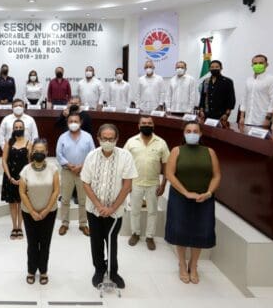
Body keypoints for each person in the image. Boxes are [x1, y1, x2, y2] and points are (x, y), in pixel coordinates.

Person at [81, 124, 138, 289]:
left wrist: (112, 208)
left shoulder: (125, 156)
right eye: (104, 138)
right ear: (98, 138)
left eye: (111, 139)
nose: (107, 142)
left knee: (112, 241)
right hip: (94, 210)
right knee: (96, 241)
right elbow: (86, 183)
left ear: (117, 139)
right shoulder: (91, 156)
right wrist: (99, 206)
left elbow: (127, 185)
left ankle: (113, 272)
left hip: (115, 211)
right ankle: (99, 270)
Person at [164, 121, 221, 284]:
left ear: (201, 134)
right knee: (180, 231)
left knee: (201, 231)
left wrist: (208, 193)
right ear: (184, 134)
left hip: (204, 198)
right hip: (180, 197)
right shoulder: (177, 150)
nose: (192, 134)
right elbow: (169, 174)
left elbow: (216, 175)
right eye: (188, 131)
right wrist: (186, 192)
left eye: (195, 131)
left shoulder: (209, 152)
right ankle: (182, 264)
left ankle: (193, 264)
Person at [124, 116, 169, 250]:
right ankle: (135, 233)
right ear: (139, 126)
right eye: (143, 123)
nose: (146, 125)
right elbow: (125, 163)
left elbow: (166, 164)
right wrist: (126, 183)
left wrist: (163, 184)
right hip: (135, 182)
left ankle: (150, 237)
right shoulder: (131, 142)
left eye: (149, 123)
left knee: (152, 212)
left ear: (153, 125)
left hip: (153, 183)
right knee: (135, 211)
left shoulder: (161, 143)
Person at [19, 139, 60, 285]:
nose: (39, 153)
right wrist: (32, 211)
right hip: (28, 212)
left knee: (45, 243)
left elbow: (56, 191)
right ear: (32, 152)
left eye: (42, 151)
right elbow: (22, 192)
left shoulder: (53, 169)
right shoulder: (26, 170)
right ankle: (31, 270)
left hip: (49, 212)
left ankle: (43, 271)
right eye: (36, 151)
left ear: (47, 152)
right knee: (32, 243)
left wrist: (46, 210)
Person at [56, 112, 94, 237]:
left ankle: (83, 224)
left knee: (83, 200)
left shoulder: (88, 137)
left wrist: (81, 166)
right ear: (67, 123)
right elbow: (59, 154)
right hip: (67, 171)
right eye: (71, 121)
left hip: (84, 172)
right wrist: (69, 165)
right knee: (65, 199)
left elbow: (92, 154)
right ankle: (64, 223)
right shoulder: (62, 137)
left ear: (80, 122)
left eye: (76, 121)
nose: (73, 123)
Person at [1, 119, 31, 240]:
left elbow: (30, 163)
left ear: (24, 129)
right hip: (10, 177)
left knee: (22, 203)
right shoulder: (9, 143)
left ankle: (20, 227)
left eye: (20, 127)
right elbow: (4, 160)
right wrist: (10, 177)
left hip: (23, 178)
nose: (18, 129)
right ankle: (14, 227)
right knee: (13, 204)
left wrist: (24, 178)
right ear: (13, 129)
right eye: (16, 127)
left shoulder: (29, 143)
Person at [239, 54, 273, 128]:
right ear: (252, 65)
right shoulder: (248, 80)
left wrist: (268, 119)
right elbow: (244, 99)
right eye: (255, 63)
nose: (258, 65)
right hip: (247, 120)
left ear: (266, 64)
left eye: (261, 63)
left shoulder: (272, 79)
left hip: (262, 121)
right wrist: (242, 117)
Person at [198, 60, 235, 125]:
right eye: (212, 67)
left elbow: (231, 99)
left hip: (221, 115)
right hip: (206, 114)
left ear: (221, 68)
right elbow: (203, 97)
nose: (214, 68)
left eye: (217, 67)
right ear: (209, 69)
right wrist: (201, 111)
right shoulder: (206, 81)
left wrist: (226, 114)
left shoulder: (227, 81)